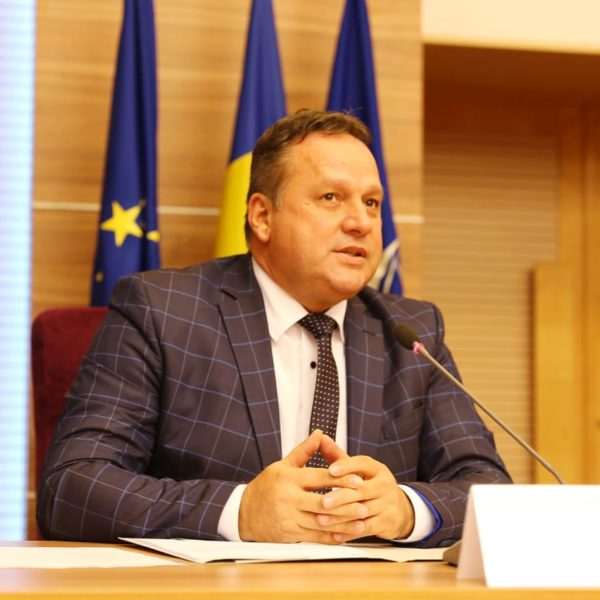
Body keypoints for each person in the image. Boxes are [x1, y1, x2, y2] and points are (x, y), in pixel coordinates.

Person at [37, 108, 510, 547]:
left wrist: (408, 510)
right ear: (262, 216)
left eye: (371, 202)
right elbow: (72, 486)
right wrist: (241, 512)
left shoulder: (410, 333)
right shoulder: (163, 311)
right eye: (331, 198)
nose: (361, 222)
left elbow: (489, 490)